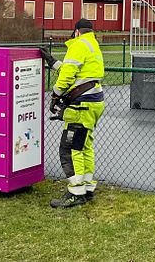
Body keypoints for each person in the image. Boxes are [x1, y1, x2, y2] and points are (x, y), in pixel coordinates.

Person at [40, 18, 105, 208]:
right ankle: (86, 188)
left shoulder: (78, 45)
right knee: (84, 146)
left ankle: (75, 192)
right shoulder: (92, 45)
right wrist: (52, 62)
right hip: (94, 103)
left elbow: (68, 76)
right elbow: (78, 73)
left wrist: (55, 95)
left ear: (76, 31)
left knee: (70, 148)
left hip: (81, 106)